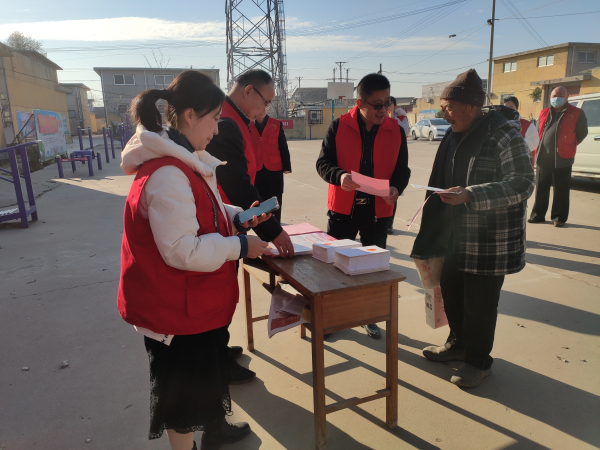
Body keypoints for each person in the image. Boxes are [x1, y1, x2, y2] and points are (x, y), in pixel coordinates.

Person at [117, 71, 270, 450]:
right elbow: (183, 250)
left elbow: (204, 210)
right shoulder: (168, 173)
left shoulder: (184, 160)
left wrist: (237, 216)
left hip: (191, 304)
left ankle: (215, 430)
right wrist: (240, 246)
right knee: (182, 402)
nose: (217, 129)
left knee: (204, 382)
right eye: (215, 118)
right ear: (189, 115)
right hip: (173, 311)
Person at [411, 69, 535, 388]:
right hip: (454, 235)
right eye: (443, 107)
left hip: (488, 239)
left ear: (471, 106)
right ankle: (458, 345)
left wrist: (471, 194)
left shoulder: (503, 134)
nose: (444, 114)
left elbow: (523, 182)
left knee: (480, 304)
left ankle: (479, 362)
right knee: (451, 291)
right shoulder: (454, 133)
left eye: (450, 107)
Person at [206, 69, 295, 385]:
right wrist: (273, 230)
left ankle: (218, 348)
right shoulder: (223, 122)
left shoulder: (239, 120)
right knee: (218, 293)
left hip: (232, 219)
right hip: (221, 223)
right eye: (265, 101)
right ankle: (215, 361)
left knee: (224, 290)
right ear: (247, 91)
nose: (265, 109)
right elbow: (238, 185)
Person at [316, 73, 411, 339]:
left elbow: (402, 171)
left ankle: (370, 316)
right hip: (343, 210)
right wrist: (339, 176)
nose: (384, 109)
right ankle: (332, 317)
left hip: (377, 212)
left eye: (387, 103)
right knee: (335, 266)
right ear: (360, 103)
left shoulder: (396, 131)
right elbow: (323, 164)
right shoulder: (339, 126)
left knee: (373, 269)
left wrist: (396, 188)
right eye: (377, 105)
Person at [528, 86, 588, 227]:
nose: (557, 98)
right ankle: (538, 215)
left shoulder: (576, 113)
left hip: (563, 157)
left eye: (561, 95)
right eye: (554, 96)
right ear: (550, 97)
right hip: (543, 156)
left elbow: (582, 132)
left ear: (567, 97)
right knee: (541, 188)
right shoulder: (544, 112)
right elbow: (538, 131)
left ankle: (559, 218)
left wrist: (569, 145)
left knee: (561, 189)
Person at [250, 110, 292, 223]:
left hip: (274, 169)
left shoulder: (276, 124)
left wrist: (286, 166)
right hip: (257, 169)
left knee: (275, 199)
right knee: (259, 199)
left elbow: (283, 145)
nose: (261, 111)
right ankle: (262, 226)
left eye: (264, 107)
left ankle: (276, 224)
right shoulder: (248, 125)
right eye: (259, 108)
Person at [385, 97, 410, 234]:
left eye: (390, 104)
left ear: (395, 106)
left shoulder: (401, 117)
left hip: (395, 157)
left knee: (393, 192)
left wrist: (392, 118)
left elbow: (405, 131)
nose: (387, 107)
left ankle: (389, 223)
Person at [503, 96, 539, 162]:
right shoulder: (500, 125)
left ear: (517, 108)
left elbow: (533, 143)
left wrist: (512, 144)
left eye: (511, 107)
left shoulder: (528, 125)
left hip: (523, 163)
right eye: (505, 108)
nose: (508, 110)